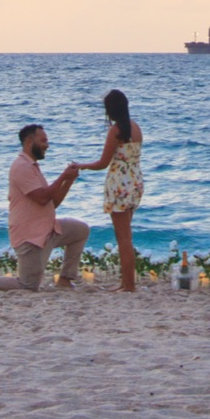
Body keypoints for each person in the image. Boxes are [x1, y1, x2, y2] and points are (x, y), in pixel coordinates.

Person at [0, 123, 90, 291]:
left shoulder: (32, 166)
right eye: (43, 141)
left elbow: (52, 203)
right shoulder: (21, 166)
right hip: (31, 237)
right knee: (28, 285)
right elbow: (42, 198)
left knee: (80, 230)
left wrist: (69, 180)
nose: (47, 145)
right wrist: (63, 175)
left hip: (48, 229)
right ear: (29, 142)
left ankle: (65, 279)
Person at [75, 88, 143, 292]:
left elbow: (103, 162)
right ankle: (128, 282)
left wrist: (81, 165)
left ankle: (128, 285)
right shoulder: (136, 127)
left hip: (120, 184)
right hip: (135, 181)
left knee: (123, 238)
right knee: (127, 236)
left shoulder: (116, 130)